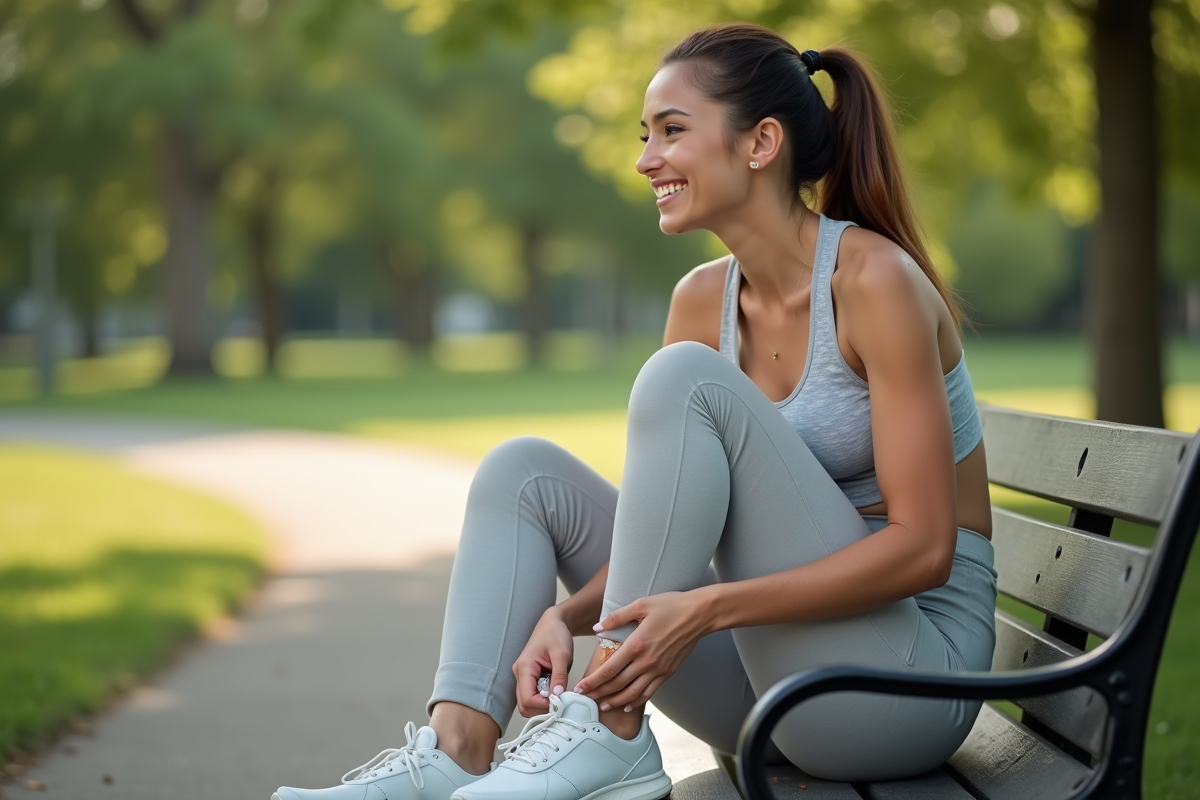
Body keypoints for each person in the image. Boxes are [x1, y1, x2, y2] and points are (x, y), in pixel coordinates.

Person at [272, 21, 997, 800]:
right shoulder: (701, 301)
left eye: (672, 132)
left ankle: (610, 728)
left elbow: (923, 551)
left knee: (681, 376)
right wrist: (566, 615)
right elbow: (664, 530)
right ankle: (457, 752)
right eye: (644, 134)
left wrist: (711, 607)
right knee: (523, 473)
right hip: (773, 680)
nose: (647, 159)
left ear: (760, 143)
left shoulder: (873, 281)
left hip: (905, 684)